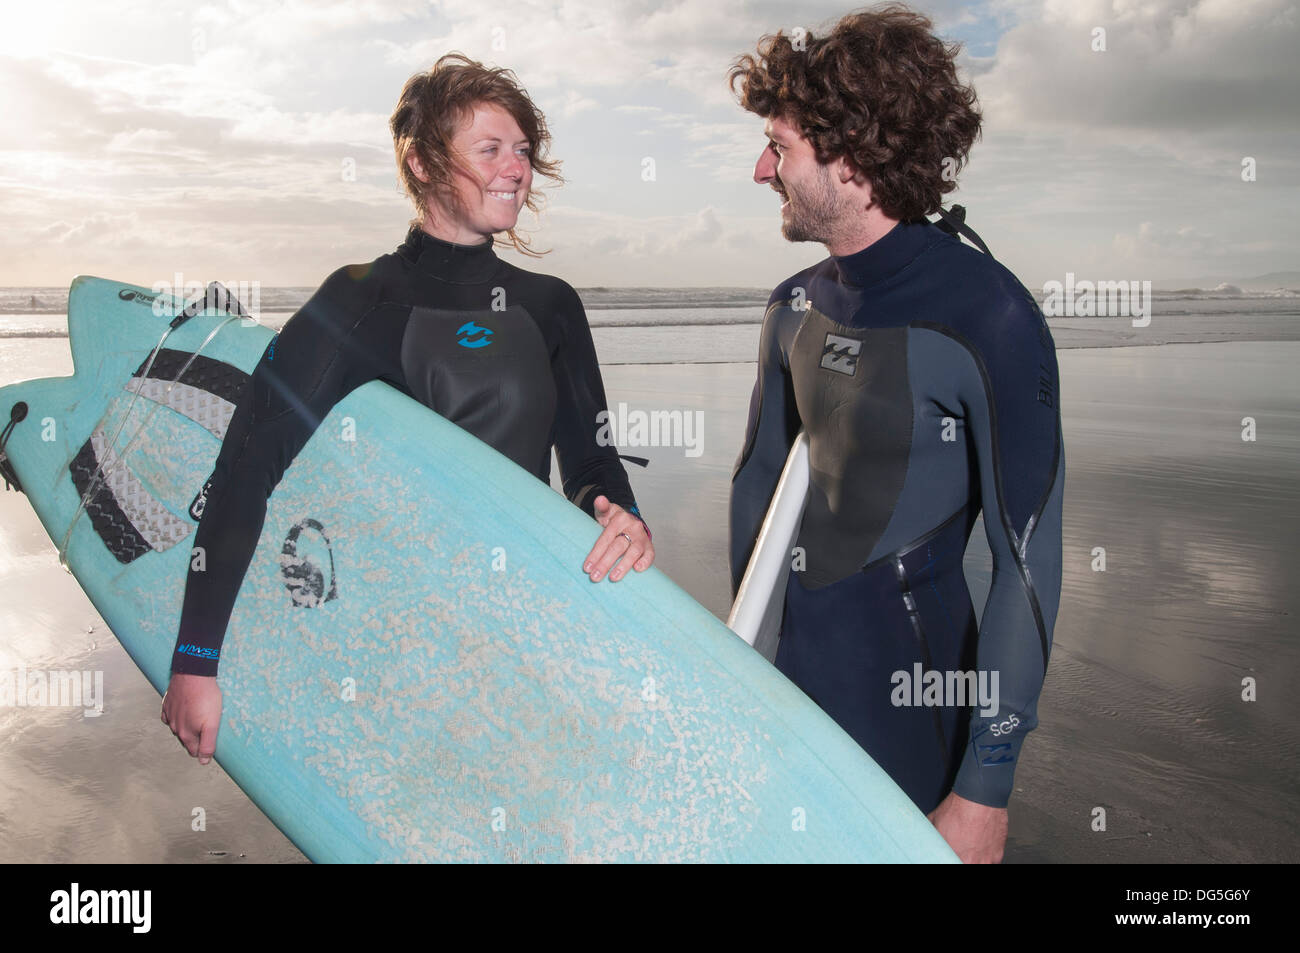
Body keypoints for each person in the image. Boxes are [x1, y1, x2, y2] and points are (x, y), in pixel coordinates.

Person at [162, 53, 654, 764]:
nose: (515, 168)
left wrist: (617, 512)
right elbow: (249, 461)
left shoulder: (550, 307)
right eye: (490, 149)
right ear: (422, 164)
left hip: (522, 626)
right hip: (392, 640)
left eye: (523, 151)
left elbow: (589, 459)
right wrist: (196, 660)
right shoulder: (361, 300)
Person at [727, 6, 1063, 863]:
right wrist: (734, 668)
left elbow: (1026, 558)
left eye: (782, 146)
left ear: (852, 156)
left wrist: (985, 789)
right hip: (789, 691)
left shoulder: (988, 316)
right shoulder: (792, 307)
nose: (762, 167)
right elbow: (759, 487)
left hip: (914, 709)